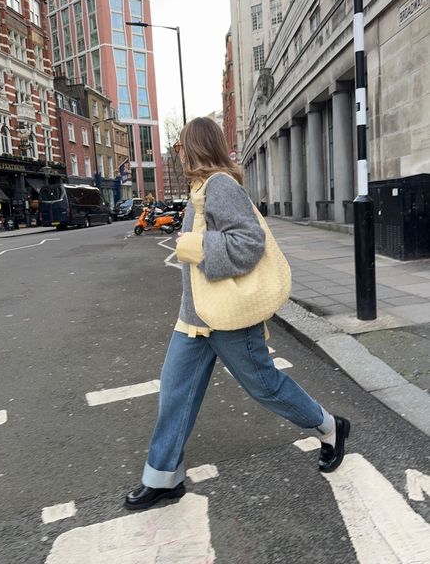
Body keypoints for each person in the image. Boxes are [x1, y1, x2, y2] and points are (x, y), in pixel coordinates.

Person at [125, 117, 350, 511]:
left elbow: (249, 243)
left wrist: (195, 246)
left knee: (266, 387)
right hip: (195, 318)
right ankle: (163, 478)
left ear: (195, 147)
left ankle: (331, 427)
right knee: (175, 392)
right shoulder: (200, 189)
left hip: (228, 317)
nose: (178, 154)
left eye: (181, 147)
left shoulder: (221, 186)